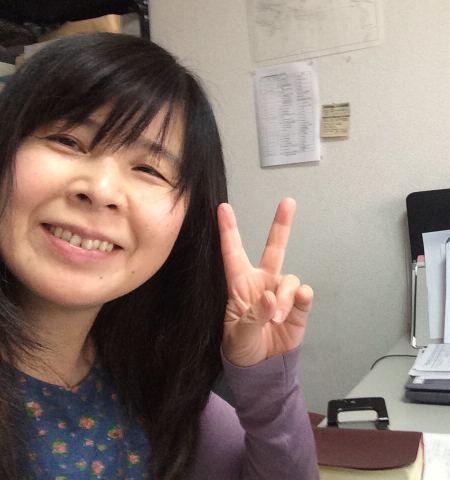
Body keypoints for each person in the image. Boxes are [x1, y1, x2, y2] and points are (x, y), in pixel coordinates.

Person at [0, 33, 319, 479]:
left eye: (149, 168)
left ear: (185, 225)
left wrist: (266, 385)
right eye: (68, 141)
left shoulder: (152, 385)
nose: (101, 190)